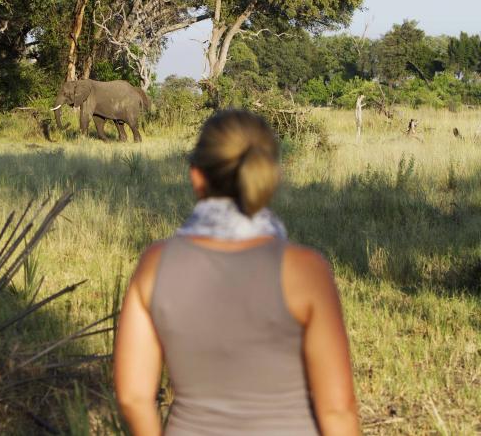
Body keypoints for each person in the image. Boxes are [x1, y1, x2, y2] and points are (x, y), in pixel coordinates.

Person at [113, 110, 359, 435]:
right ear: (272, 176)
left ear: (196, 176)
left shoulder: (154, 264)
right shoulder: (306, 270)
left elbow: (133, 397)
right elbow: (338, 410)